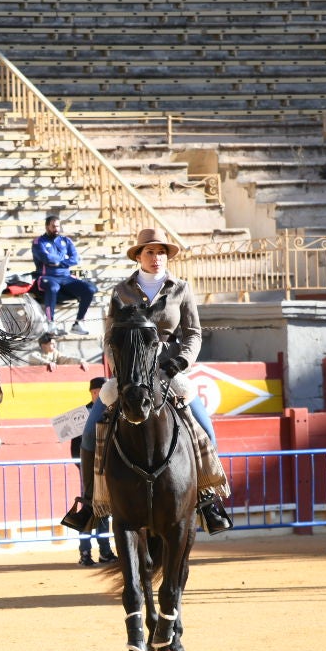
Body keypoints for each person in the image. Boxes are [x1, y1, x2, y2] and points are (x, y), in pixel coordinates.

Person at [61, 227, 233, 536]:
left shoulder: (181, 288)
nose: (157, 257)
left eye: (162, 252)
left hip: (170, 370)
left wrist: (181, 361)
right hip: (130, 374)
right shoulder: (120, 291)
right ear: (139, 256)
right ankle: (88, 503)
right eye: (150, 252)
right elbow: (110, 337)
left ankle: (207, 498)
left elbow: (192, 333)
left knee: (206, 428)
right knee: (89, 433)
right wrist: (120, 369)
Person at [73, 378, 116, 566]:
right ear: (92, 393)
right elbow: (76, 445)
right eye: (96, 391)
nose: (99, 395)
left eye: (101, 391)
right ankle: (84, 553)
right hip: (91, 467)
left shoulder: (114, 409)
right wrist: (82, 466)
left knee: (104, 509)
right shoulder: (82, 414)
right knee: (90, 505)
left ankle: (105, 551)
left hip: (109, 467)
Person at [31, 214, 93, 336]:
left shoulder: (66, 241)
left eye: (58, 226)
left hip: (65, 277)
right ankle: (50, 323)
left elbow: (75, 259)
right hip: (46, 276)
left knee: (89, 289)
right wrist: (64, 259)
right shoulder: (39, 242)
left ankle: (78, 323)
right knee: (53, 287)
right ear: (47, 226)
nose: (56, 229)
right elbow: (47, 258)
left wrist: (58, 261)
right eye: (53, 226)